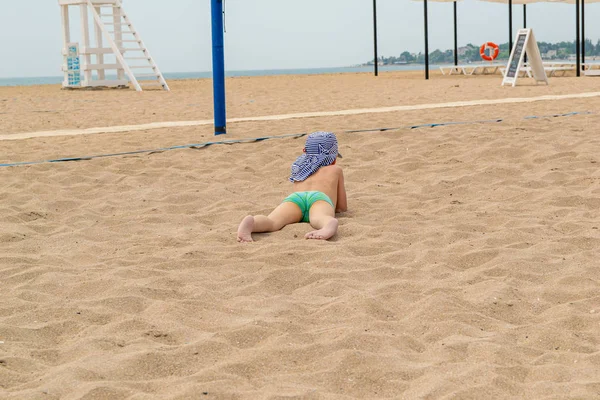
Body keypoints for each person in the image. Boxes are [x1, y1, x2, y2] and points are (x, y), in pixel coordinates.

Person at [237, 131, 347, 242]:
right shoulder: (335, 170)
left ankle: (253, 223)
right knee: (319, 218)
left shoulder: (299, 168)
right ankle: (328, 224)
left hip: (296, 198)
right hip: (319, 198)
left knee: (272, 222)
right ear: (333, 158)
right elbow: (341, 207)